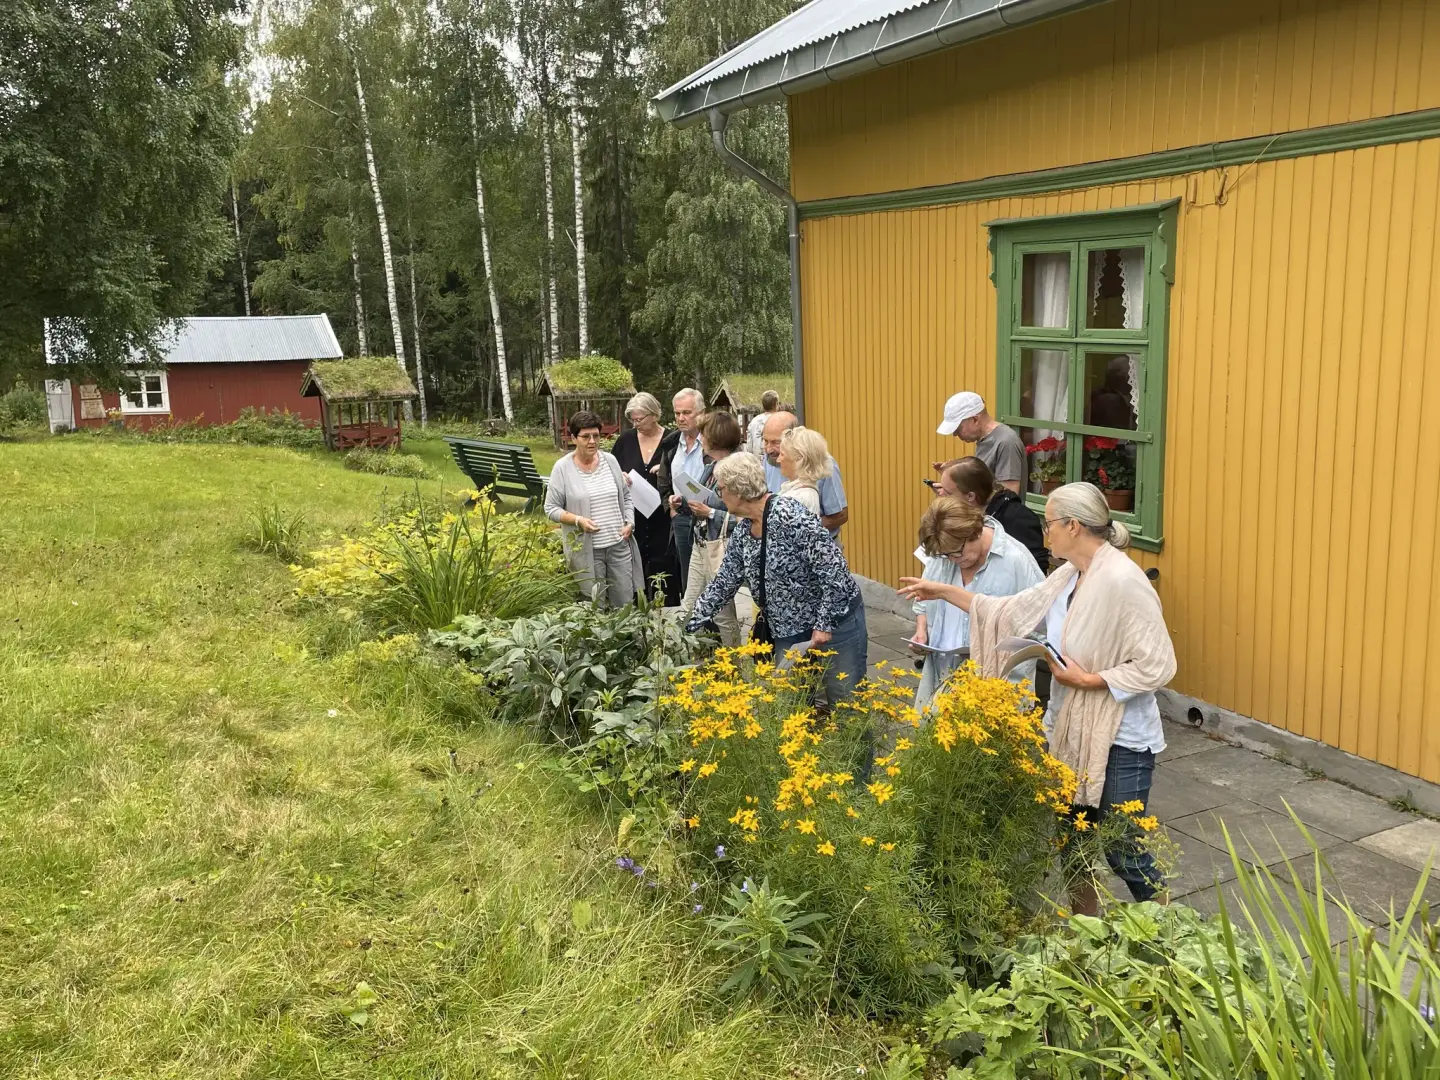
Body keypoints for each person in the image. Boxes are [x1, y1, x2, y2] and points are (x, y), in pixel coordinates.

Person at [899, 482, 1176, 915]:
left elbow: (1158, 664)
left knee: (1124, 848)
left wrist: (1090, 679)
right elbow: (1007, 611)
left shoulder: (1124, 580)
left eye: (1049, 525)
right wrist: (944, 592)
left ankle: (1174, 939)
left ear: (1073, 525)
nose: (1044, 534)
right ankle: (1088, 934)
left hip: (1121, 736)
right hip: (1072, 727)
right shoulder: (1069, 575)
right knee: (1073, 843)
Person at [686, 453, 867, 707]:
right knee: (789, 704)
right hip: (789, 628)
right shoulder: (743, 529)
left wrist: (824, 623)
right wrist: (689, 625)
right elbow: (724, 582)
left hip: (836, 622)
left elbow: (835, 570)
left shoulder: (789, 516)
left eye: (721, 487)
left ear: (738, 490)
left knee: (846, 702)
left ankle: (855, 747)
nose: (718, 492)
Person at [910, 497, 1044, 708]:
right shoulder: (943, 553)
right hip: (941, 678)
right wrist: (921, 631)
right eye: (946, 555)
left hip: (996, 687)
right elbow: (922, 603)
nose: (953, 559)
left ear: (975, 531)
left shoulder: (1016, 560)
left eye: (957, 552)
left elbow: (1041, 625)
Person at [545, 410, 645, 609]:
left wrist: (630, 523)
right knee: (594, 606)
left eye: (596, 436)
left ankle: (626, 640)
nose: (592, 441)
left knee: (624, 605)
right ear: (573, 438)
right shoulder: (562, 468)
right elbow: (550, 508)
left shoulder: (610, 461)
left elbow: (625, 497)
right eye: (585, 437)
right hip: (588, 550)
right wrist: (578, 520)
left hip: (618, 545)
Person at [611, 392, 682, 605]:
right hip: (634, 515)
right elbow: (611, 467)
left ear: (654, 415)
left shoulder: (673, 439)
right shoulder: (626, 439)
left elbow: (686, 471)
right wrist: (620, 475)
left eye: (639, 419)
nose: (635, 424)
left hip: (663, 516)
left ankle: (665, 608)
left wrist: (668, 469)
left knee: (664, 565)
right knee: (635, 563)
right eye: (632, 419)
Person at [680, 410, 744, 644]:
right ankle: (690, 657)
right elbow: (702, 496)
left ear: (715, 438)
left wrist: (711, 513)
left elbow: (749, 516)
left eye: (704, 434)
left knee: (722, 612)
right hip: (701, 543)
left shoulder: (737, 468)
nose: (701, 439)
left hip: (720, 548)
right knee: (688, 606)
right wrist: (685, 501)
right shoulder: (711, 466)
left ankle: (736, 667)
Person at [940, 457, 1048, 572]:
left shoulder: (1019, 518)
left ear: (970, 496)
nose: (940, 494)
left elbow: (1035, 570)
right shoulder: (963, 513)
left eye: (947, 492)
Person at [761, 411, 849, 536]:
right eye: (765, 441)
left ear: (792, 438)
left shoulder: (820, 462)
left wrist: (800, 528)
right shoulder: (769, 459)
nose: (769, 449)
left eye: (776, 442)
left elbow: (841, 515)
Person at [933, 391, 1025, 494]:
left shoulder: (1006, 442)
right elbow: (981, 487)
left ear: (975, 419)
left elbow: (1008, 496)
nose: (955, 434)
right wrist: (954, 477)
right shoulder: (984, 440)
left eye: (958, 428)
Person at [658, 388, 706, 589]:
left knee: (712, 575)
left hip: (708, 517)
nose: (681, 418)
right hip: (682, 517)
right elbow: (663, 479)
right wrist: (670, 504)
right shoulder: (671, 444)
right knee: (689, 576)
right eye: (677, 413)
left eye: (687, 413)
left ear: (701, 413)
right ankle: (692, 618)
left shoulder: (713, 442)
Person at [774, 425, 829, 515]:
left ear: (799, 459)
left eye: (782, 454)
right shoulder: (801, 491)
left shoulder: (799, 498)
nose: (778, 460)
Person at [746, 390, 781, 456]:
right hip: (775, 461)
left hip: (756, 462)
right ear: (776, 404)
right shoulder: (781, 421)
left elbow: (749, 448)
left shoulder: (754, 421)